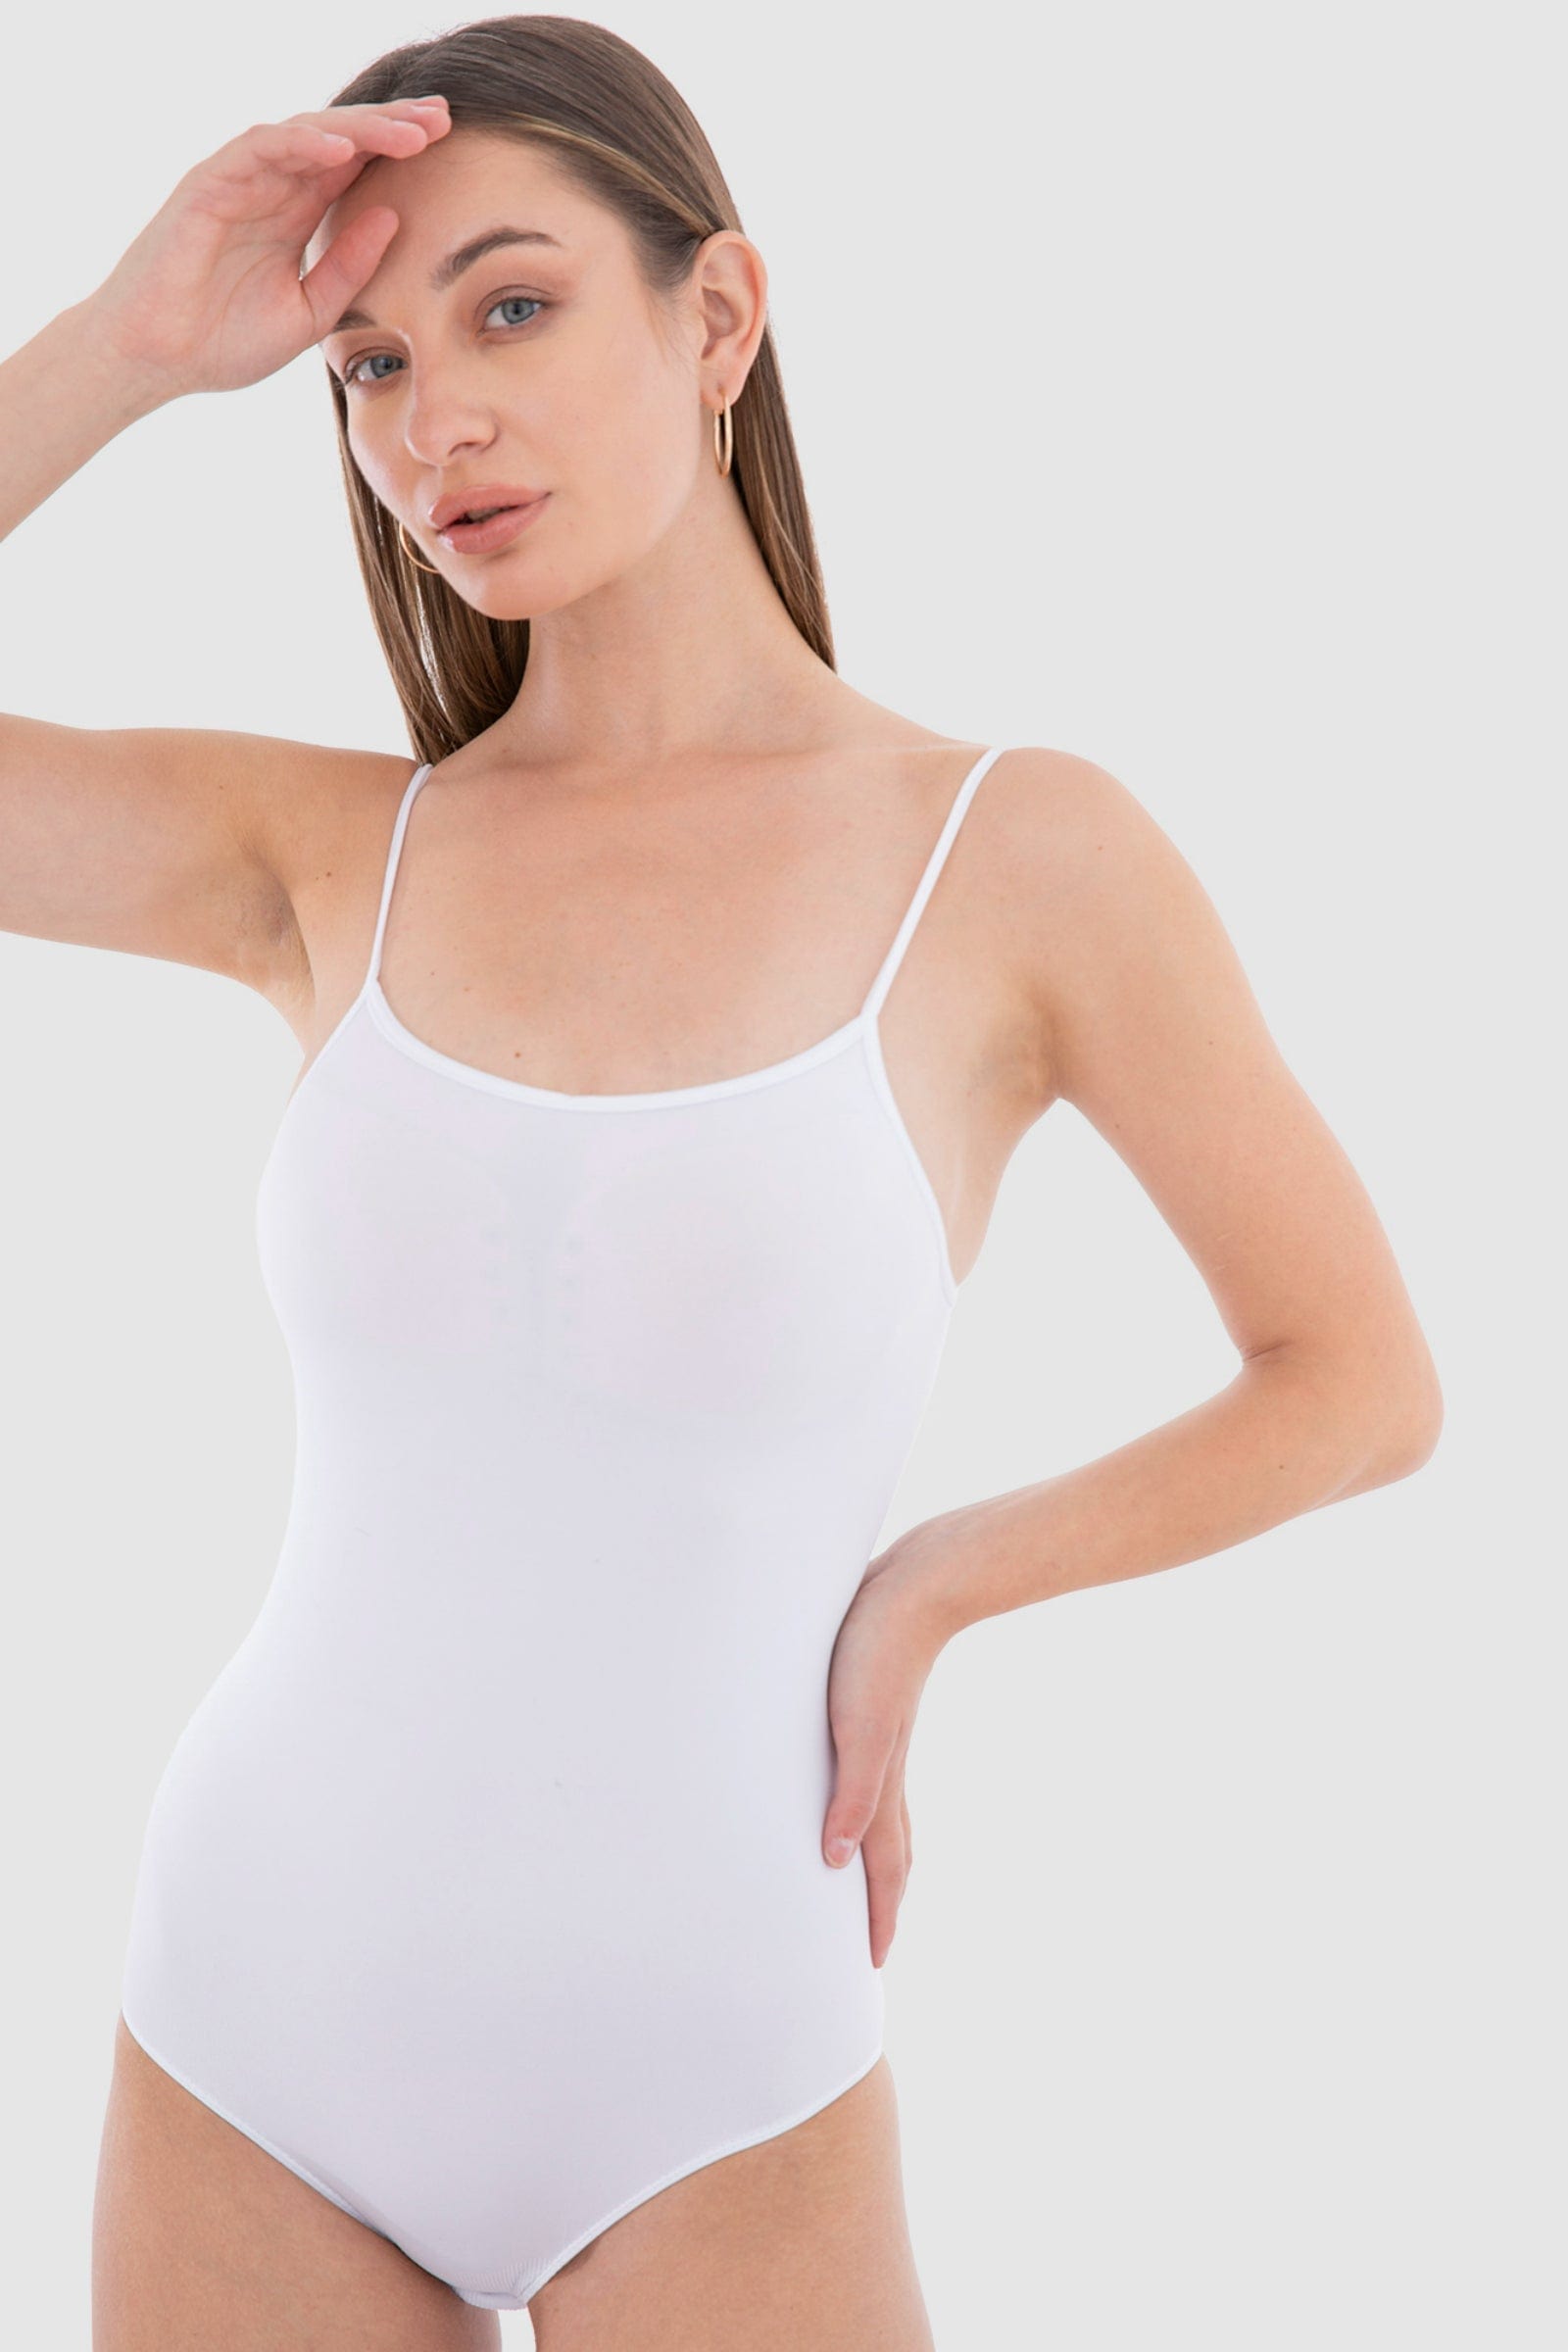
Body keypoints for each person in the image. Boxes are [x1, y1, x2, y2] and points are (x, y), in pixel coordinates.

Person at [0, 19, 1443, 2352]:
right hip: (253, 2006)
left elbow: (1354, 1380)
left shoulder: (1016, 855)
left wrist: (936, 1584)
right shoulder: (322, 852)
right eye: (368, 365)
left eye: (510, 304)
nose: (430, 421)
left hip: (712, 2067)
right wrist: (124, 344)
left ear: (718, 314)